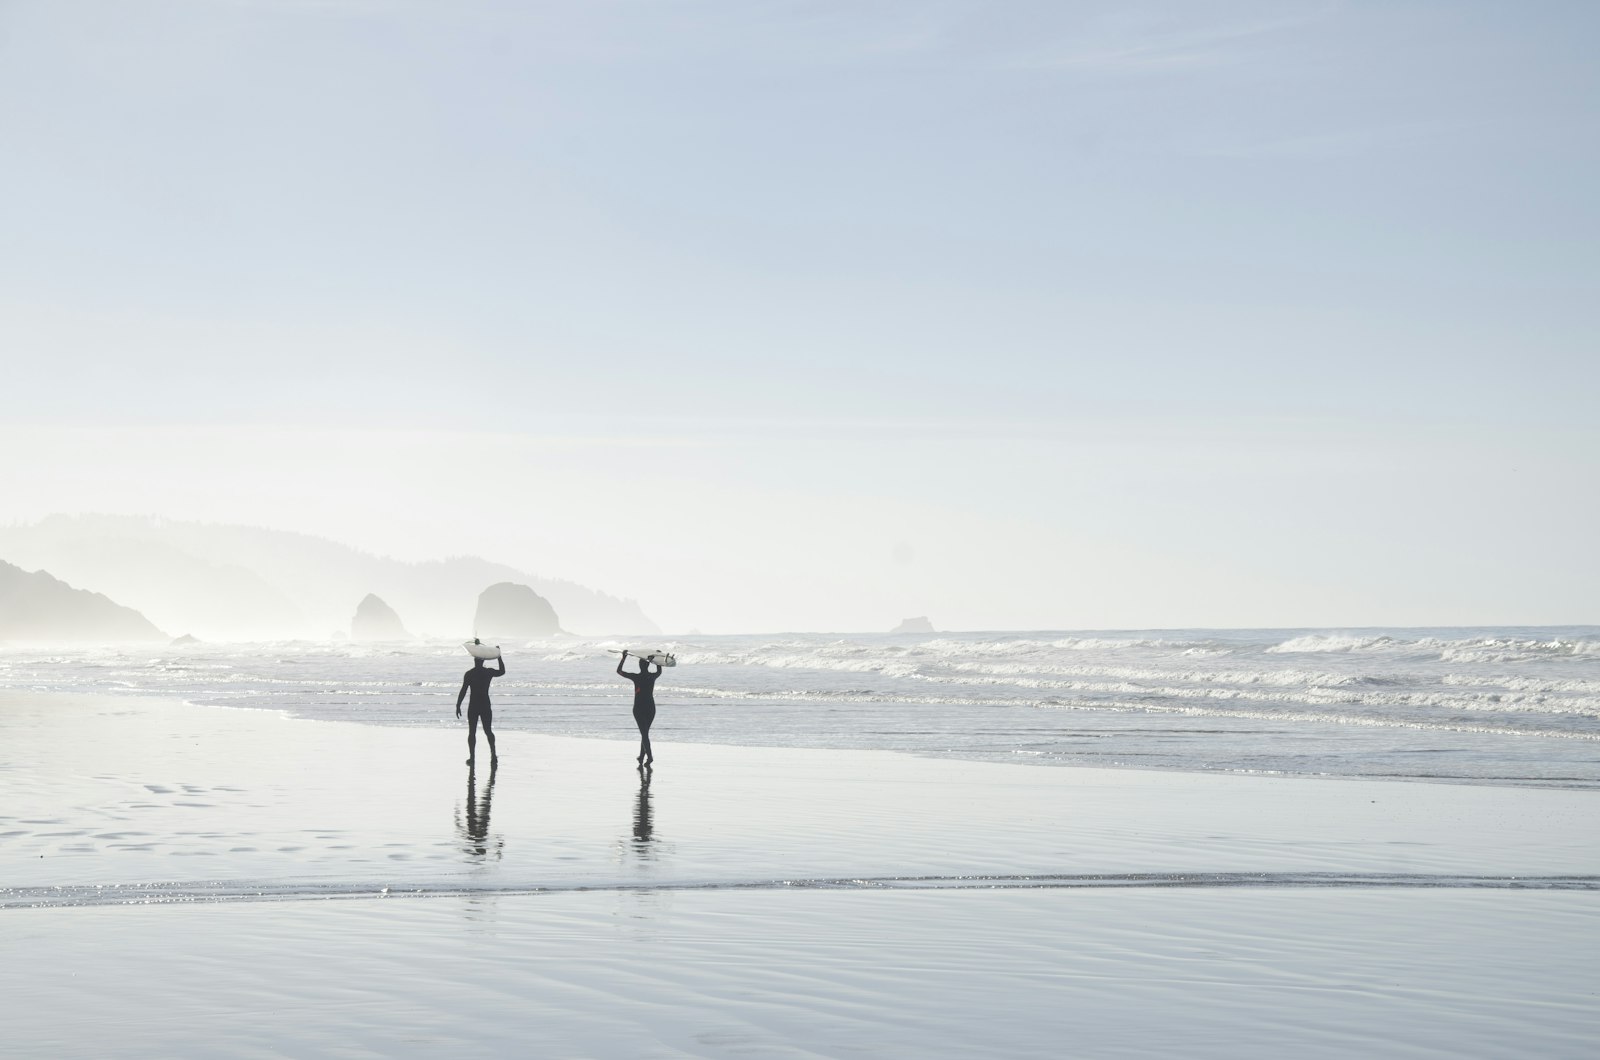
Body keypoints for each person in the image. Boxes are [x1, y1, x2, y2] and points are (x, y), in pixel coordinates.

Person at [456, 649, 505, 767]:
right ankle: (493, 756)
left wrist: (458, 705)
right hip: (484, 704)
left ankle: (473, 758)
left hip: (474, 705)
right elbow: (502, 671)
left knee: (473, 732)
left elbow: (463, 690)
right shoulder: (488, 672)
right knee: (487, 730)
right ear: (483, 661)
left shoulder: (470, 673)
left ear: (475, 660)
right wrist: (499, 656)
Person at [616, 649, 662, 767]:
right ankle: (642, 756)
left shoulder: (636, 677)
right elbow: (659, 670)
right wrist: (658, 658)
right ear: (648, 665)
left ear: (639, 666)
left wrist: (624, 657)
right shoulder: (653, 677)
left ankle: (650, 756)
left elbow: (619, 671)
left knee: (644, 733)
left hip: (639, 708)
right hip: (651, 707)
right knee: (645, 733)